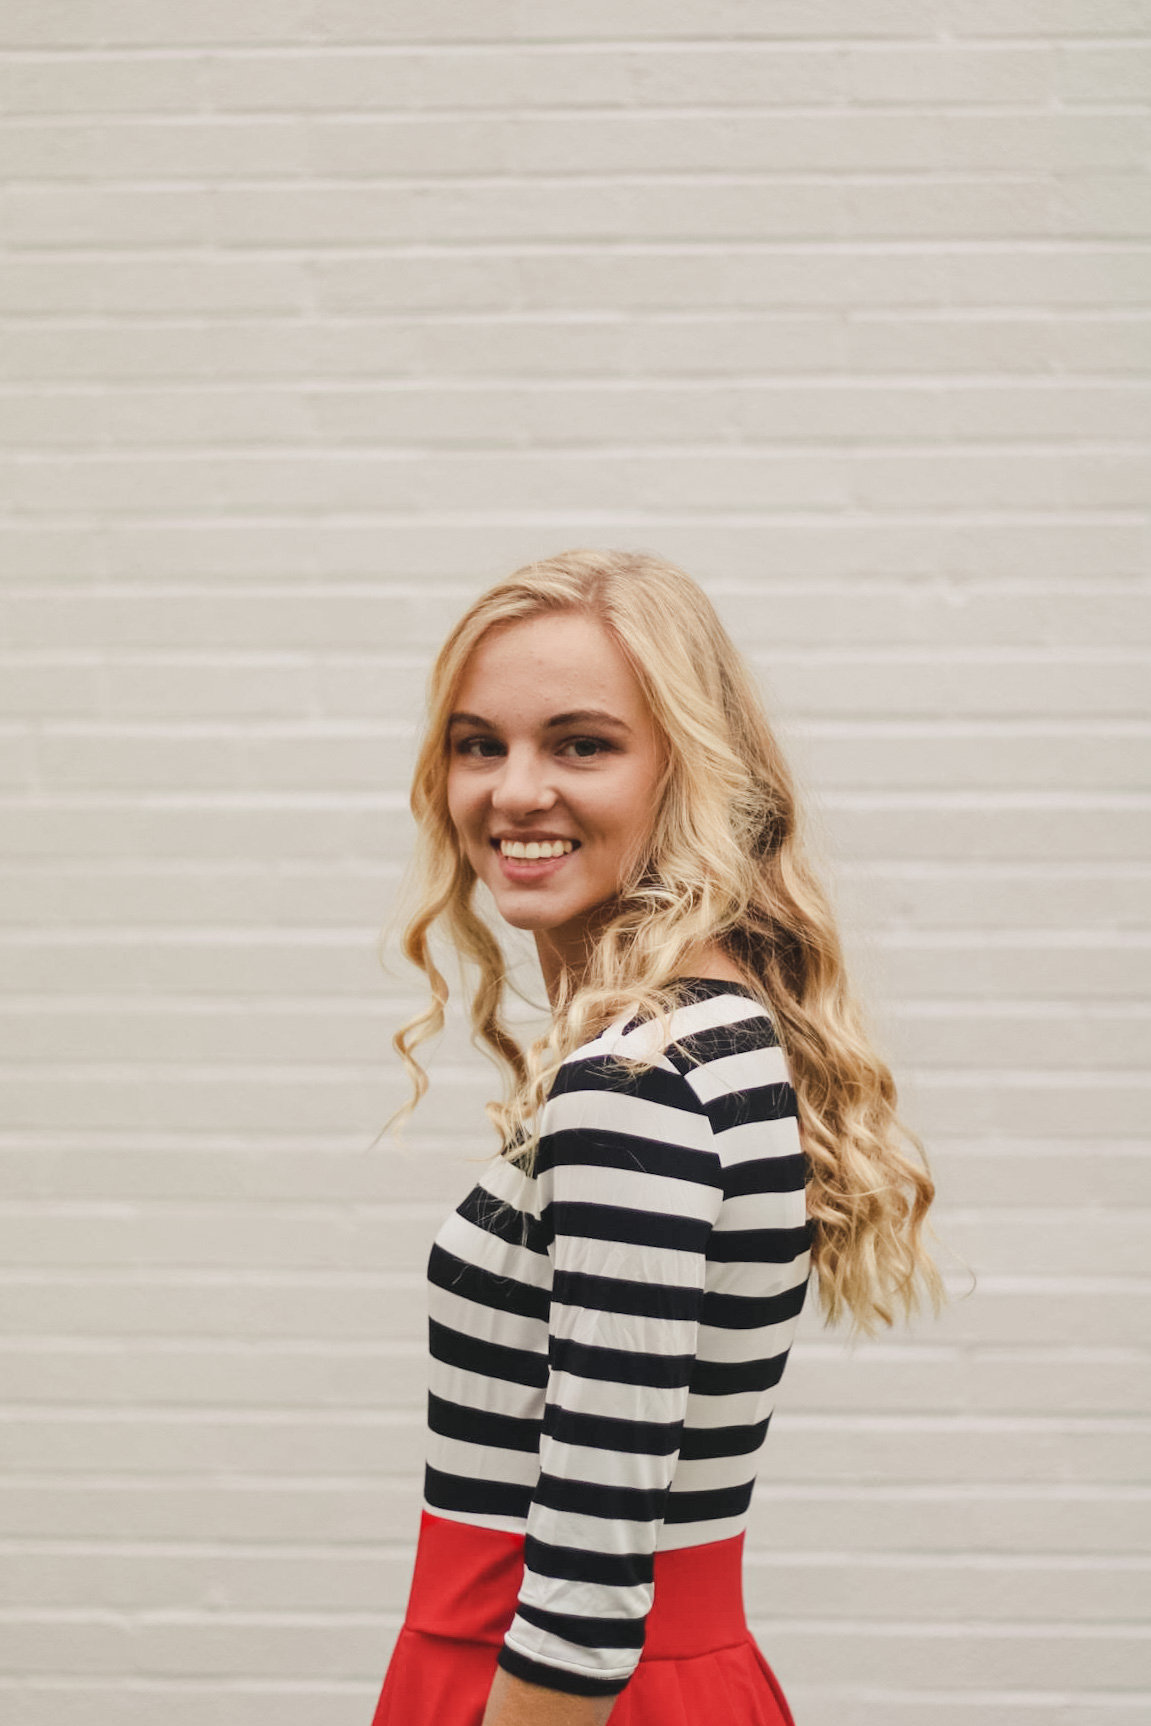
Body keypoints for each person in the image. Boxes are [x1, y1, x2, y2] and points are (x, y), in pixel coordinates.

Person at [369, 549, 941, 1726]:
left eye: (580, 743)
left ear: (687, 771)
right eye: (480, 743)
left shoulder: (637, 1081)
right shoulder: (719, 1037)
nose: (513, 791)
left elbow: (581, 1595)